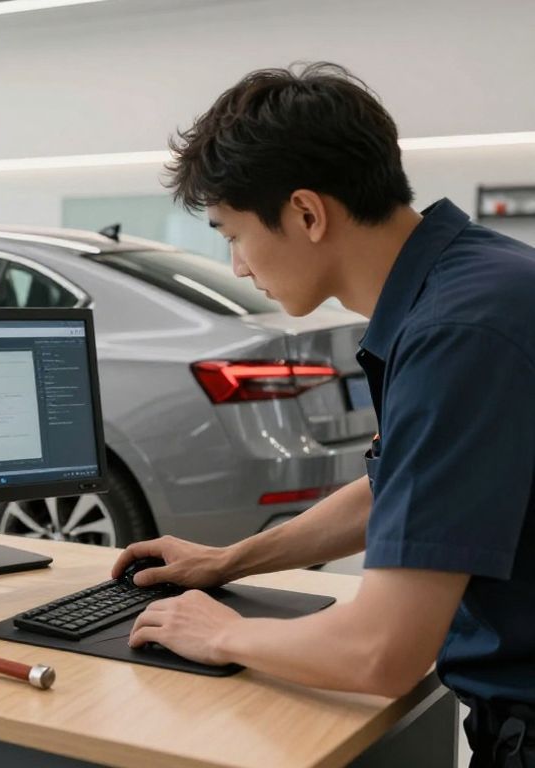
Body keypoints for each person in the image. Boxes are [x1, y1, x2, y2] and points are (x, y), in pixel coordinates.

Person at [111, 62, 535, 767]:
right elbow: (405, 489)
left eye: (232, 234)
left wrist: (219, 633)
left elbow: (381, 652)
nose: (238, 265)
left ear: (307, 214)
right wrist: (229, 560)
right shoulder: (477, 283)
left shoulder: (456, 334)